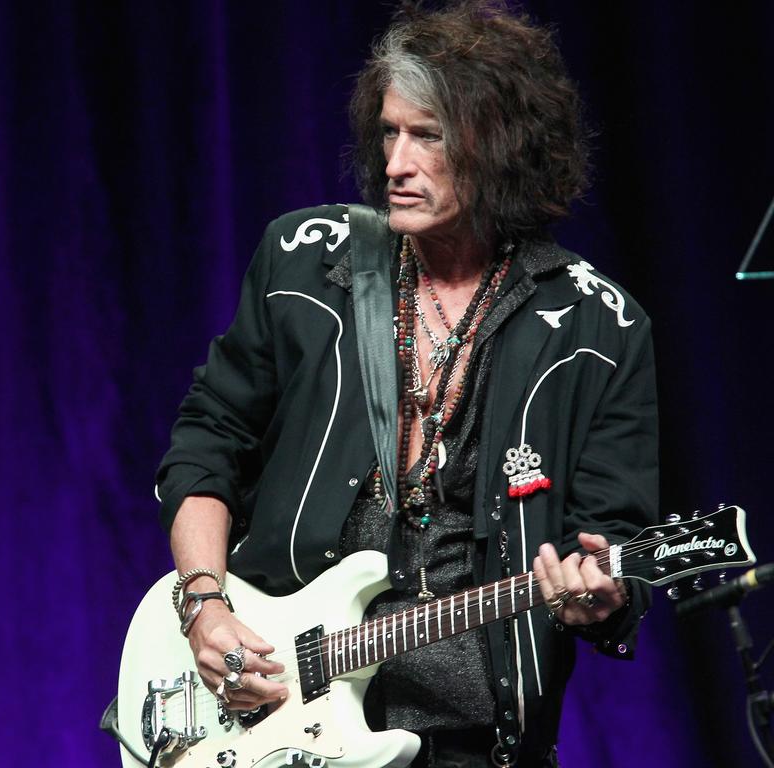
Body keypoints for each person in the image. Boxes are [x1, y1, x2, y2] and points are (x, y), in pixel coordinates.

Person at [155, 3, 658, 766]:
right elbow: (206, 440)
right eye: (390, 132)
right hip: (271, 717)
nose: (396, 162)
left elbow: (613, 540)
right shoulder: (304, 262)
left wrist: (599, 594)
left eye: (427, 136)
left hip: (474, 744)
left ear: (503, 148)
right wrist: (203, 602)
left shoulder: (601, 329)